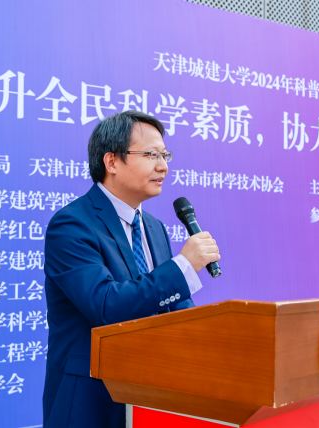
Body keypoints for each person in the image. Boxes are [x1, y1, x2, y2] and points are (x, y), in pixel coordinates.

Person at [41, 110, 221, 428]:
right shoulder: (71, 224)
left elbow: (173, 307)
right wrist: (183, 267)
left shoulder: (154, 227)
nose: (163, 166)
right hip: (91, 400)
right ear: (112, 161)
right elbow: (106, 305)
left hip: (152, 397)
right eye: (151, 155)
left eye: (164, 155)